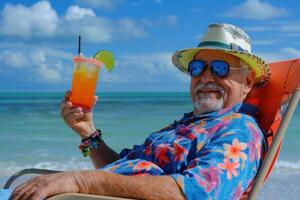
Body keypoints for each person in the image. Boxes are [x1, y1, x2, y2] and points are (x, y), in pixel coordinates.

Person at [10, 23, 271, 200]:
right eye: (197, 68)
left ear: (247, 82)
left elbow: (195, 193)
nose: (206, 77)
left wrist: (79, 182)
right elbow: (120, 170)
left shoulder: (240, 131)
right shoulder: (188, 125)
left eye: (220, 68)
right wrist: (88, 134)